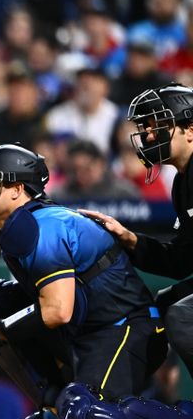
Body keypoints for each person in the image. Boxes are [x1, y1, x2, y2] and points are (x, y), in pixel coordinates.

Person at [0, 143, 193, 419]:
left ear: (16, 189)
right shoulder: (18, 225)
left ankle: (186, 418)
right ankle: (52, 408)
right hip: (84, 328)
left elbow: (57, 311)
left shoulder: (42, 225)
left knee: (87, 418)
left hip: (125, 330)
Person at [79, 83, 193, 378]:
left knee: (183, 314)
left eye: (158, 125)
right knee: (162, 305)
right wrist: (129, 238)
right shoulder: (183, 182)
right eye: (145, 127)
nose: (148, 135)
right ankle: (114, 396)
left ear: (189, 129)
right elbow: (182, 261)